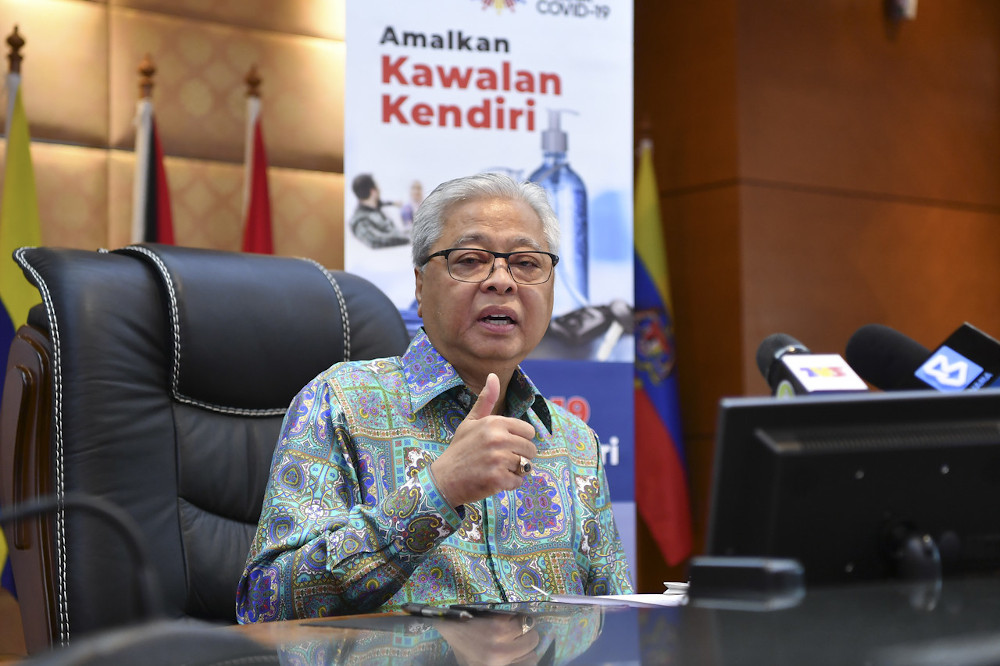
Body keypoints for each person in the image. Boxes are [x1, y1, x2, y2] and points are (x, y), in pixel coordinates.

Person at [236, 172, 633, 623]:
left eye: (526, 263)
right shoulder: (339, 401)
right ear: (421, 287)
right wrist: (436, 492)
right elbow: (265, 606)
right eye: (470, 259)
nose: (502, 281)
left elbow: (614, 618)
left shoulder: (575, 442)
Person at [348, 173, 410, 248]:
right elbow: (375, 241)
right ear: (373, 191)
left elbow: (383, 203)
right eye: (377, 187)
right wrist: (408, 239)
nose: (379, 189)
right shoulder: (360, 221)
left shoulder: (375, 206)